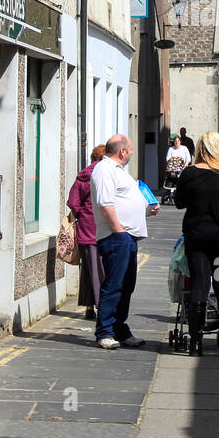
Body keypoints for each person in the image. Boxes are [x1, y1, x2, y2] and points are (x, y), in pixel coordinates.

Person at [174, 131, 219, 356]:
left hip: (197, 240)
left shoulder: (189, 174)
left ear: (201, 149)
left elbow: (179, 203)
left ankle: (195, 342)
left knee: (199, 285)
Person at [90, 134, 159, 349]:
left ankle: (120, 329)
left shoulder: (118, 171)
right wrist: (119, 231)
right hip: (116, 237)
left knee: (126, 286)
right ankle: (105, 332)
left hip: (126, 237)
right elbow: (105, 204)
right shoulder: (104, 170)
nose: (130, 154)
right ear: (122, 152)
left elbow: (124, 203)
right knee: (114, 285)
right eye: (130, 151)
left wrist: (146, 210)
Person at [67, 144, 106, 320]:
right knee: (101, 271)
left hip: (86, 228)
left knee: (88, 270)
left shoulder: (83, 176)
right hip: (102, 229)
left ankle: (89, 306)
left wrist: (82, 214)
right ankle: (102, 308)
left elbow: (73, 202)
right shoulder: (106, 174)